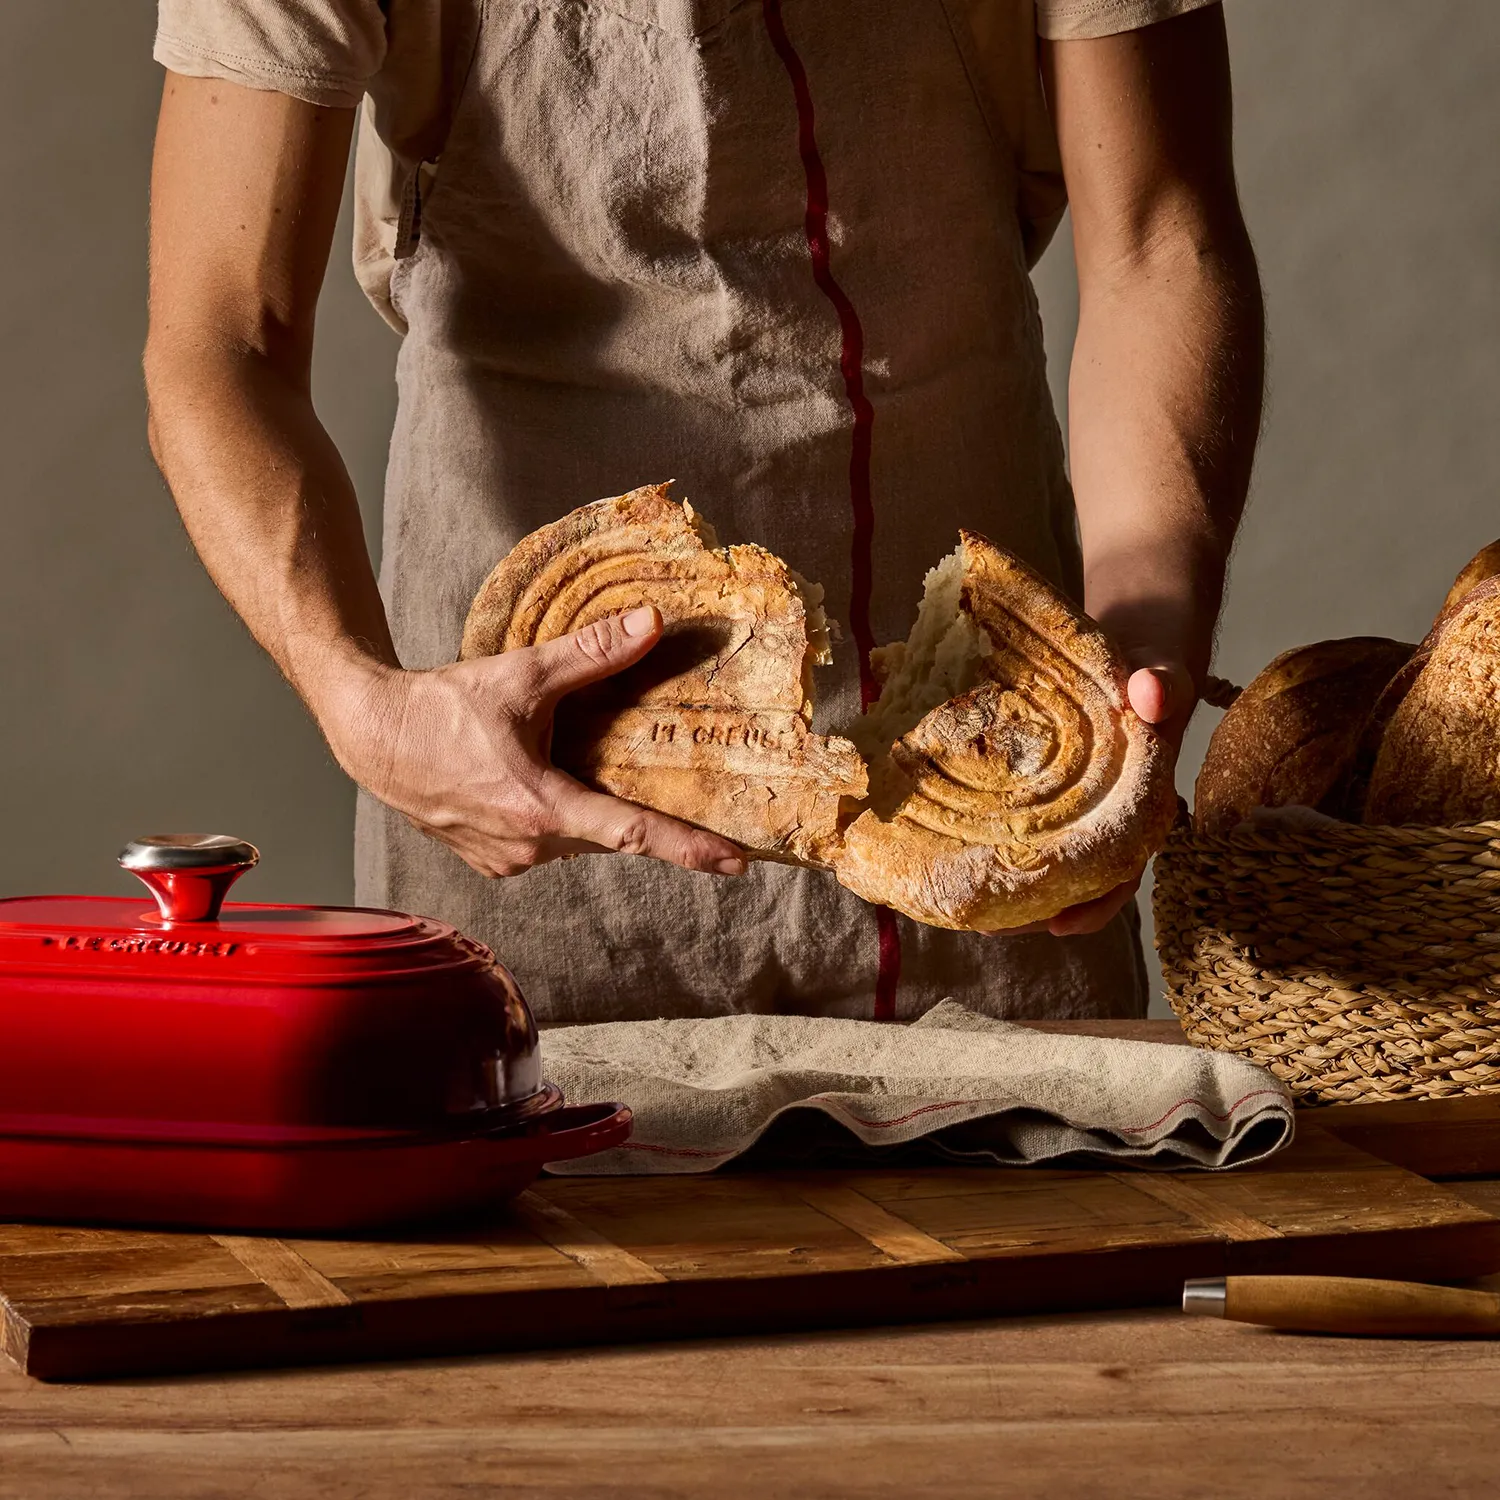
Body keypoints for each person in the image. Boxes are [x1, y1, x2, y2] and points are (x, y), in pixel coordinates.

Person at [145, 0, 1263, 1024]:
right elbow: (219, 340)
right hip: (534, 773)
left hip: (992, 756)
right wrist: (361, 700)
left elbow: (1161, 241)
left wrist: (1146, 635)